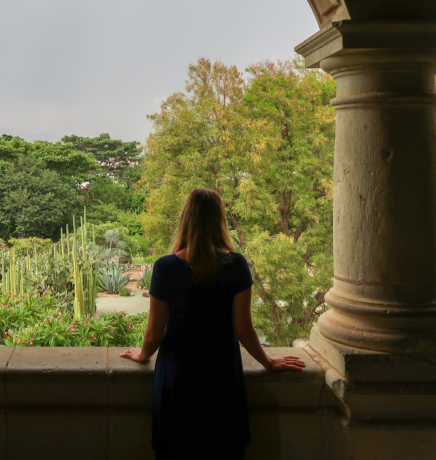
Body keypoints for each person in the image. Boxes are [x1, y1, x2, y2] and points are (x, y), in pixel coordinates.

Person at [121, 188, 306, 459]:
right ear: (220, 220)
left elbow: (153, 334)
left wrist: (142, 355)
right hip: (221, 377)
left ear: (186, 219)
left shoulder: (165, 268)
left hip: (178, 378)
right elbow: (244, 329)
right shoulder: (237, 265)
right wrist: (268, 362)